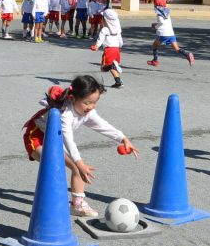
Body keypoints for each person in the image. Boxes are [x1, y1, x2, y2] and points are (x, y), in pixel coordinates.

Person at [21, 75, 139, 218]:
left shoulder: (87, 111)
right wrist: (79, 162)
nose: (91, 107)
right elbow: (68, 141)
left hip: (55, 139)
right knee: (58, 166)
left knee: (76, 167)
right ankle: (47, 207)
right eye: (87, 102)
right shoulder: (64, 114)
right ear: (72, 98)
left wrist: (123, 138)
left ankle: (77, 204)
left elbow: (102, 125)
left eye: (95, 102)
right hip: (37, 138)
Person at [147, 0, 194, 67]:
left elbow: (161, 23)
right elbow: (165, 22)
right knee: (177, 49)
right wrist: (155, 24)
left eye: (155, 5)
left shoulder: (159, 14)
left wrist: (155, 27)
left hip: (163, 34)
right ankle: (187, 54)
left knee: (155, 45)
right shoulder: (167, 13)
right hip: (171, 34)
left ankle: (155, 61)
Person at [90, 0, 123, 89]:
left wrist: (96, 46)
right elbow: (120, 42)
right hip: (116, 50)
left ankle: (112, 66)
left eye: (103, 18)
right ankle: (118, 82)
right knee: (108, 67)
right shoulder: (117, 30)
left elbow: (100, 39)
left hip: (109, 50)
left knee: (103, 68)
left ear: (106, 20)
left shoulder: (105, 29)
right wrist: (118, 46)